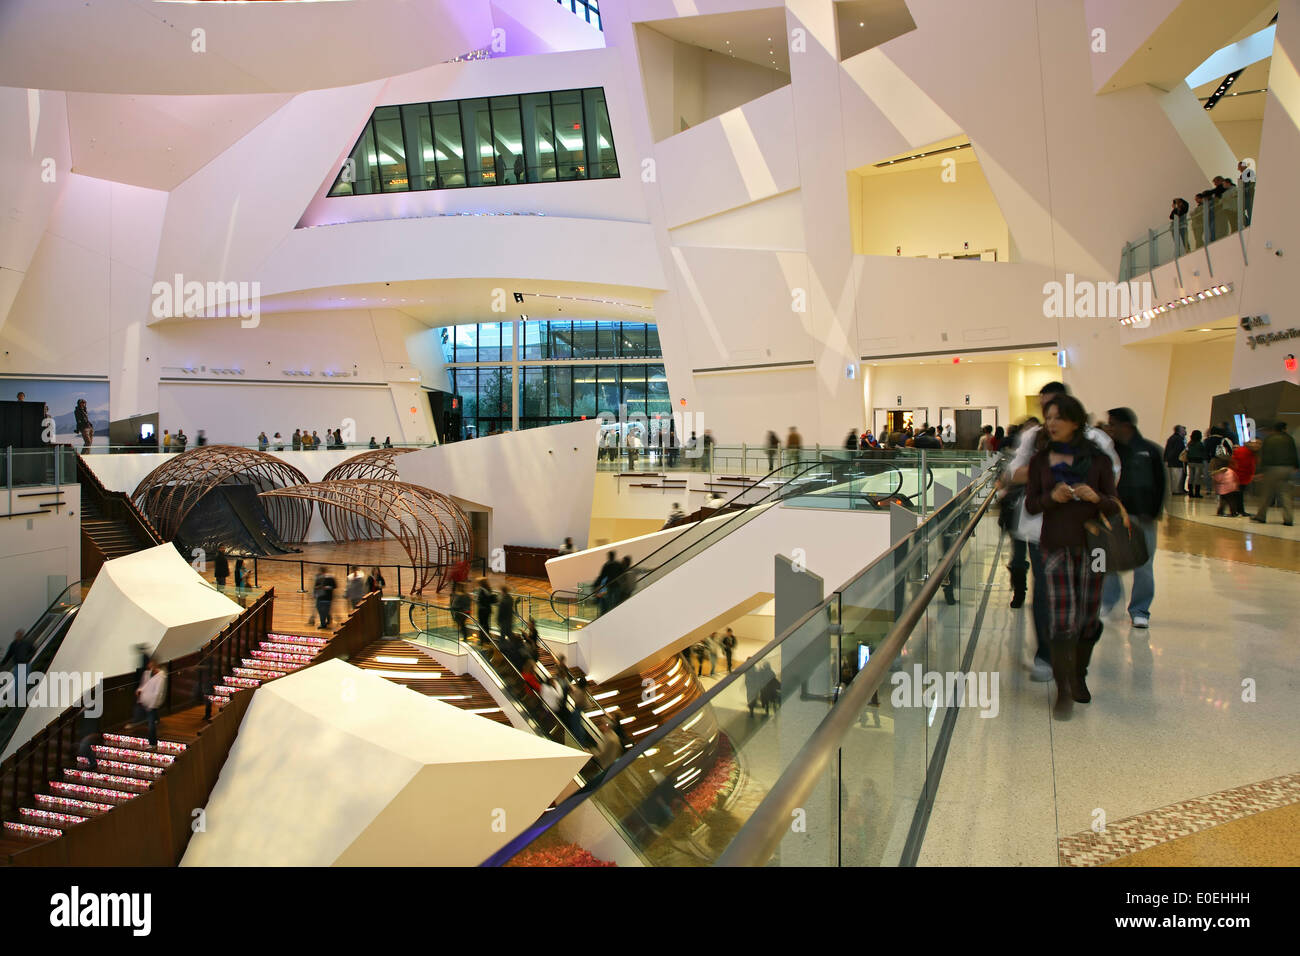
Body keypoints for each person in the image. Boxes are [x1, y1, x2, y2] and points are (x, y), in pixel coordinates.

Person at [1005, 382, 1120, 681]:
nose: (1052, 421)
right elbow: (1015, 473)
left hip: (1085, 530)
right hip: (1040, 530)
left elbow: (1111, 482)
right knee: (1045, 592)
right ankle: (1047, 654)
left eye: (1058, 413)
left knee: (1083, 598)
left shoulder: (1097, 442)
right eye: (1048, 414)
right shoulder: (1034, 439)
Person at [1100, 407, 1164, 628]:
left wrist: (1154, 512)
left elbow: (1161, 484)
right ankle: (1108, 600)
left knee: (1144, 564)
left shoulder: (1149, 451)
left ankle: (1140, 610)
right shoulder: (1108, 452)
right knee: (1108, 561)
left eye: (1112, 424)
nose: (1109, 428)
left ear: (1125, 425)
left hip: (1143, 516)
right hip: (1114, 515)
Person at [1252, 422, 1297, 526]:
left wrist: (1261, 471)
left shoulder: (1270, 439)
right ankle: (1288, 519)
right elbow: (1293, 453)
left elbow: (1265, 456)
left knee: (1267, 493)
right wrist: (1295, 466)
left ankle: (1261, 516)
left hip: (1272, 468)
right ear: (1284, 429)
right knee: (1285, 493)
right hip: (1287, 468)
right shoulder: (1289, 439)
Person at [131, 659, 168, 748]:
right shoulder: (147, 673)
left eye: (152, 665)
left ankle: (153, 743)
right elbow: (144, 685)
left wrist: (152, 704)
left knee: (151, 723)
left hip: (152, 703)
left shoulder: (160, 677)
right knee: (151, 721)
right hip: (145, 700)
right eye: (149, 665)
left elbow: (158, 692)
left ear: (156, 665)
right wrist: (139, 690)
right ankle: (153, 734)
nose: (150, 666)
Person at [1229, 440, 1257, 517]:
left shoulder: (1247, 451)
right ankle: (1239, 510)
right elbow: (1245, 465)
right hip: (1240, 476)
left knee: (1238, 494)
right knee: (1238, 494)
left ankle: (1238, 510)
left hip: (1241, 476)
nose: (1256, 446)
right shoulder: (1244, 452)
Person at [594, 551, 621, 615]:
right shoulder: (618, 564)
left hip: (610, 585)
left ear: (609, 556)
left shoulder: (607, 565)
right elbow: (622, 573)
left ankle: (608, 614)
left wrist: (596, 585)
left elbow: (602, 576)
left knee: (609, 601)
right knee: (614, 601)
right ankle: (613, 614)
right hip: (617, 585)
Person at [1183, 429, 1208, 498]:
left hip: (1190, 461)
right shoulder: (1200, 444)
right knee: (1197, 478)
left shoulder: (1189, 443)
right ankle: (1197, 493)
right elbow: (1203, 453)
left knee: (1191, 476)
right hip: (1198, 462)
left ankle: (1190, 492)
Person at [1163, 425, 1187, 495]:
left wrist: (1166, 459)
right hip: (1176, 461)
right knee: (1176, 477)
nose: (1185, 431)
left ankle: (1175, 490)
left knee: (1173, 477)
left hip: (1172, 461)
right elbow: (1177, 451)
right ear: (1179, 431)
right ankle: (1176, 490)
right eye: (1183, 430)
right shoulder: (1178, 439)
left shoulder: (1172, 438)